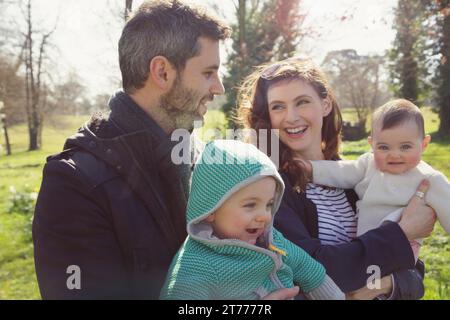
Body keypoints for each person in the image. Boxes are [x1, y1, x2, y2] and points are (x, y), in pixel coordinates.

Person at [32, 0, 231, 299]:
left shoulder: (203, 160)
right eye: (208, 73)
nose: (219, 88)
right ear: (162, 72)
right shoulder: (74, 183)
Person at [237, 58, 437, 300]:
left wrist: (384, 284)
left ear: (325, 104)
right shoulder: (270, 188)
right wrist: (402, 231)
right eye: (278, 107)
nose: (291, 117)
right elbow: (313, 268)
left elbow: (414, 272)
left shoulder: (357, 176)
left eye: (302, 102)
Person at [160, 139, 345, 300]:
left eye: (269, 205)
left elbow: (304, 265)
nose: (264, 215)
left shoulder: (270, 239)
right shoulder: (198, 264)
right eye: (250, 205)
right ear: (211, 209)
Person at [301, 99, 450, 261]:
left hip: (401, 248)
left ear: (424, 144)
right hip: (364, 246)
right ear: (372, 144)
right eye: (384, 147)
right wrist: (311, 168)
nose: (394, 154)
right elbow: (342, 171)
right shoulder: (369, 164)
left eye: (405, 147)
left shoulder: (429, 179)